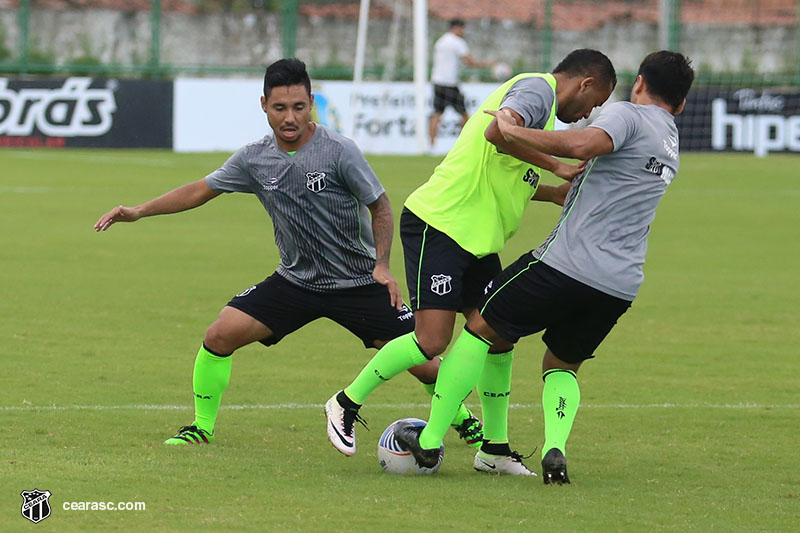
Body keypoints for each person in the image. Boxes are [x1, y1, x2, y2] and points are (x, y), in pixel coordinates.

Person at [93, 58, 437, 449]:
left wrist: (382, 265)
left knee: (426, 362)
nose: (290, 117)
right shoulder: (254, 158)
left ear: (311, 103)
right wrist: (139, 211)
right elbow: (200, 190)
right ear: (263, 105)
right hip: (295, 281)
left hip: (357, 281)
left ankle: (463, 423)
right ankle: (201, 427)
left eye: (299, 107)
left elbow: (381, 206)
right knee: (220, 335)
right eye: (279, 108)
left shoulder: (340, 151)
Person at [394, 51, 696, 484]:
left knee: (480, 326)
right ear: (682, 104)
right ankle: (554, 449)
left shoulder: (629, 116)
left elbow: (581, 144)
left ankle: (430, 441)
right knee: (561, 364)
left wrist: (514, 130)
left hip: (565, 265)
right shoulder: (671, 146)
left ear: (640, 83)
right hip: (620, 285)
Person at [326, 49, 617, 473]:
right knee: (431, 340)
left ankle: (494, 451)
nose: (592, 111)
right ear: (585, 83)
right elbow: (499, 134)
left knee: (498, 336)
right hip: (440, 226)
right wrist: (557, 164)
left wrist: (551, 192)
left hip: (477, 241)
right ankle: (345, 402)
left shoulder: (545, 113)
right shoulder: (538, 90)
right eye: (597, 100)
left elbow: (506, 167)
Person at [428, 19, 495, 149]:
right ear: (457, 28)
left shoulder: (440, 41)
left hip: (437, 82)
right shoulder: (458, 42)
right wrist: (486, 64)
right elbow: (468, 61)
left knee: (436, 114)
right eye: (462, 28)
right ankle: (464, 145)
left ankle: (431, 146)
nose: (463, 31)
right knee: (465, 116)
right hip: (450, 83)